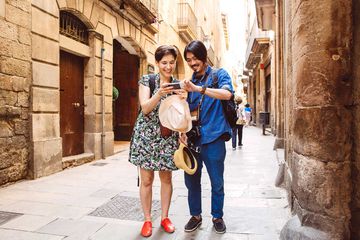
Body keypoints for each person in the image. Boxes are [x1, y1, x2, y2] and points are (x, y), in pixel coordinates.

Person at [128, 45, 185, 238]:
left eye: (171, 62)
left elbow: (181, 114)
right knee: (146, 180)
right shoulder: (148, 80)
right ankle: (147, 220)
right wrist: (159, 93)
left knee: (166, 179)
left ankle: (165, 217)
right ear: (157, 63)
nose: (168, 67)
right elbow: (145, 108)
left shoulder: (178, 84)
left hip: (167, 136)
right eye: (164, 63)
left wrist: (183, 99)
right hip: (146, 136)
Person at [180, 40, 233, 234]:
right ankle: (195, 216)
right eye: (188, 60)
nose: (192, 63)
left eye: (195, 58)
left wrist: (199, 89)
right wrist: (182, 131)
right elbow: (187, 111)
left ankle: (217, 216)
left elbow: (227, 95)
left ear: (203, 57)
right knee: (191, 181)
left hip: (215, 138)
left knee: (216, 181)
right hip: (193, 140)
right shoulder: (189, 83)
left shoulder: (220, 75)